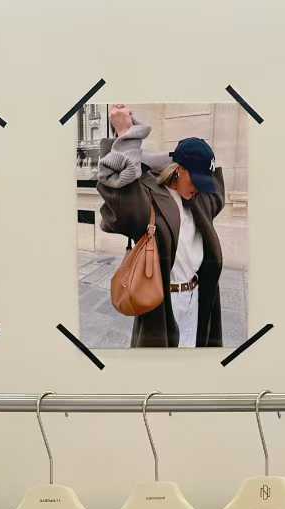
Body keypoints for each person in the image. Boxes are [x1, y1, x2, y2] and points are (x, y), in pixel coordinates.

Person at [96, 105, 226, 348]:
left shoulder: (201, 201)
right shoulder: (151, 199)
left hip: (196, 301)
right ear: (179, 170)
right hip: (162, 305)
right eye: (196, 180)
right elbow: (123, 201)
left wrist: (167, 158)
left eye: (204, 183)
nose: (199, 188)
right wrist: (126, 136)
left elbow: (218, 193)